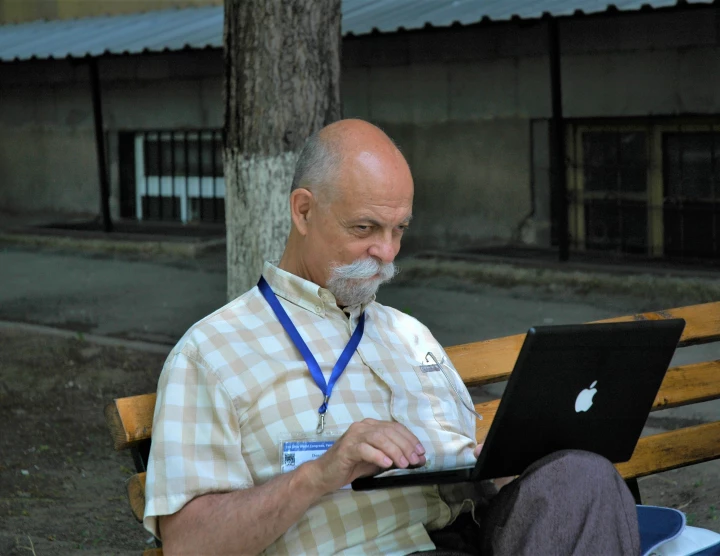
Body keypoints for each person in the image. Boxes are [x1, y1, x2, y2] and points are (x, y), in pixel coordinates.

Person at [143, 119, 640, 555]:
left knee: (585, 477)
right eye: (365, 227)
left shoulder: (408, 332)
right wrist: (322, 472)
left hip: (469, 536)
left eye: (399, 228)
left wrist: (509, 461)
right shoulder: (212, 352)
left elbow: (477, 475)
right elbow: (188, 544)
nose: (386, 251)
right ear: (303, 211)